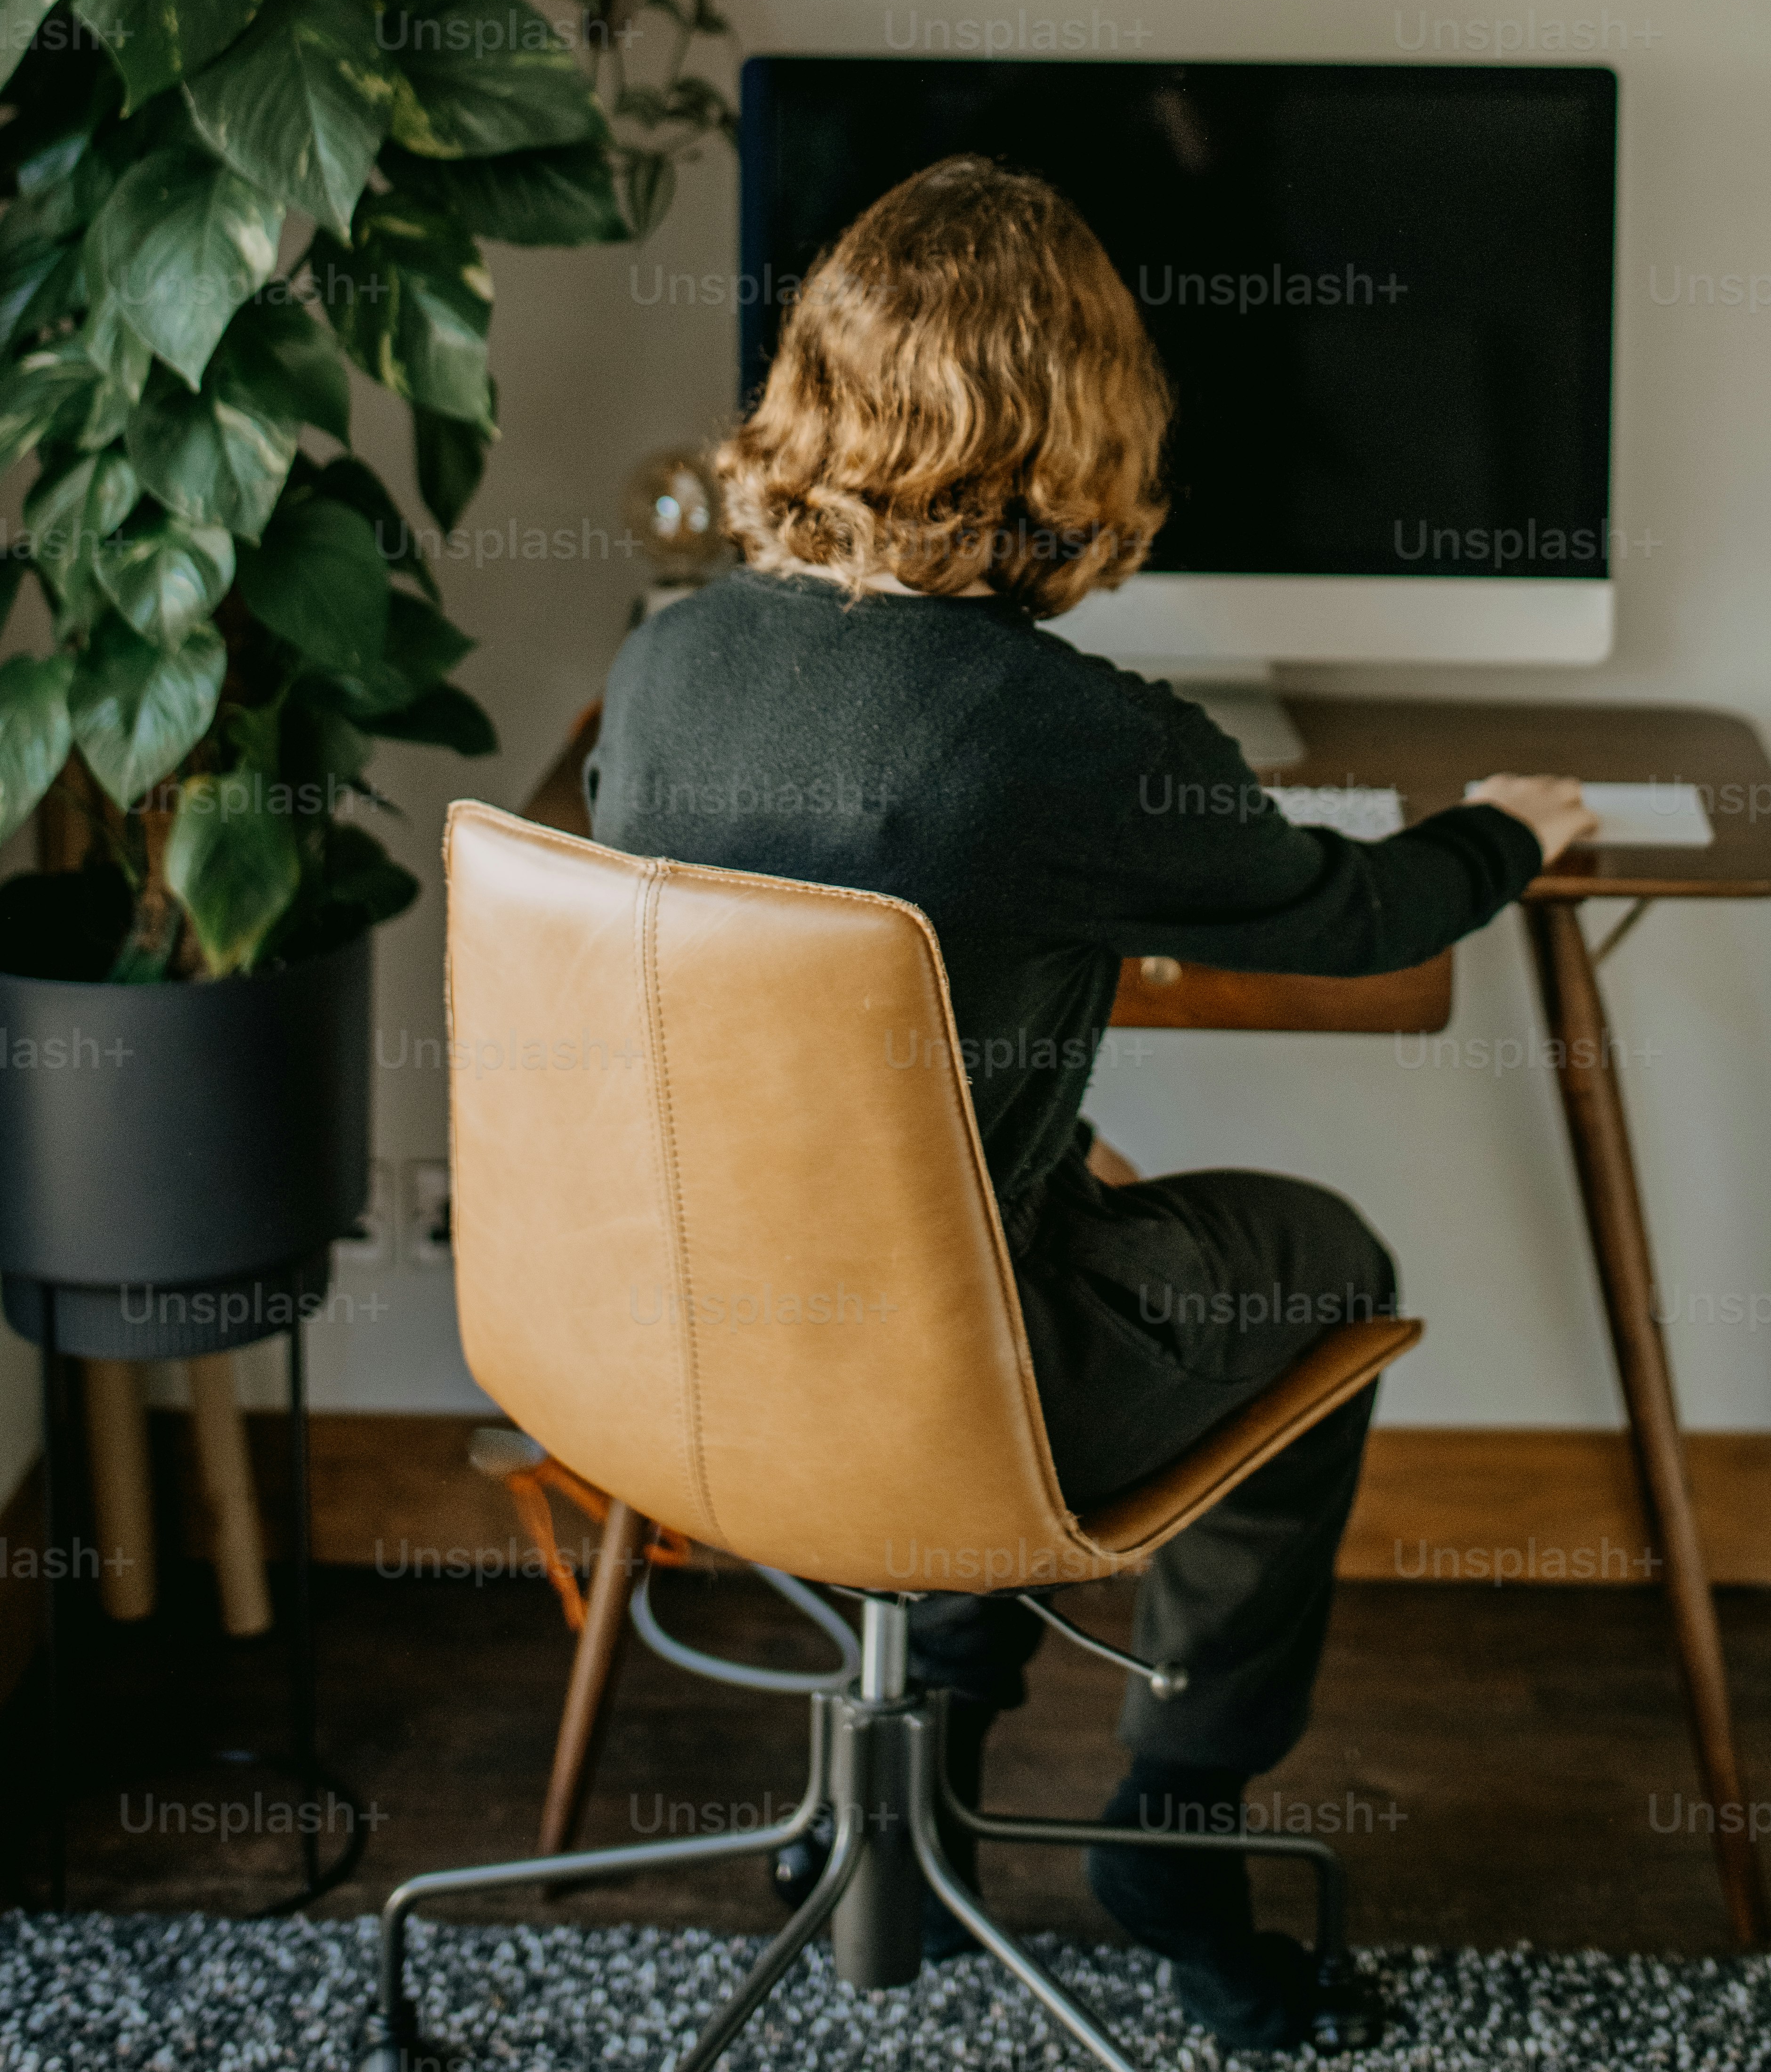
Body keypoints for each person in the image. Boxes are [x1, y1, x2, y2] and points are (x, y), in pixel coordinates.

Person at [585, 154, 1595, 2049]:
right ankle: (1175, 1826)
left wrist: (1021, 1157)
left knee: (1041, 1220)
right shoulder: (1076, 741)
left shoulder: (664, 665)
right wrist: (1508, 831)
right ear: (1081, 429)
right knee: (1327, 1263)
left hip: (668, 1354)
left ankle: (928, 1762)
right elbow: (1355, 919)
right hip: (946, 1386)